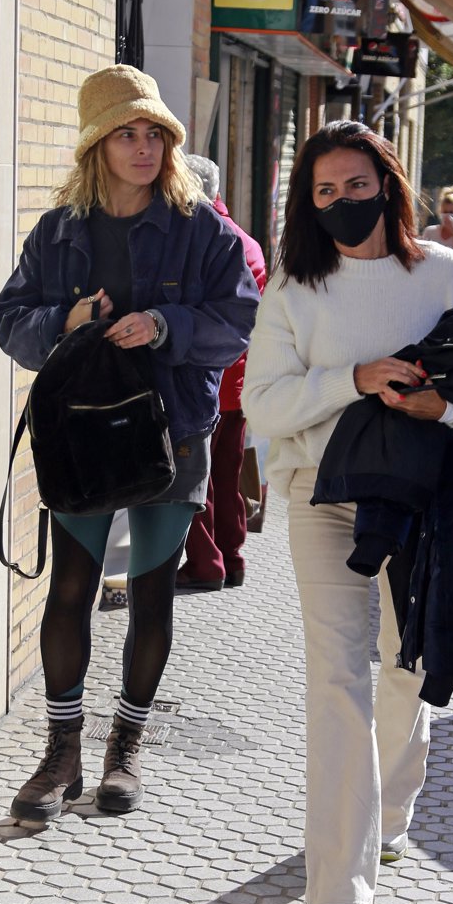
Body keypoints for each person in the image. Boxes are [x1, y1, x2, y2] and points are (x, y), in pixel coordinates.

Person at [242, 120, 453, 904]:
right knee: (337, 679)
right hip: (323, 500)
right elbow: (264, 403)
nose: (340, 201)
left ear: (388, 185)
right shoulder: (294, 283)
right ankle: (337, 886)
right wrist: (351, 380)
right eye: (323, 191)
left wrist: (447, 404)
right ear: (307, 201)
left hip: (425, 503)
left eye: (355, 185)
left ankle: (391, 808)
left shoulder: (445, 275)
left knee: (408, 665)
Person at [0, 64, 259, 826]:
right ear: (97, 146)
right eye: (126, 134)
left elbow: (239, 319)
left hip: (172, 434)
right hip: (80, 437)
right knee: (70, 588)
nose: (143, 148)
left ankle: (125, 751)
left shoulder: (201, 225)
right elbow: (14, 320)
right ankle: (61, 753)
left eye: (154, 135)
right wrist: (66, 322)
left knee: (150, 591)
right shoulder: (60, 230)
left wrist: (166, 326)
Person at [175, 154, 267, 590]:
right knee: (226, 474)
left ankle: (207, 562)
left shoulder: (204, 241)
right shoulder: (247, 240)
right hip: (240, 381)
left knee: (197, 478)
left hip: (207, 379)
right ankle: (232, 557)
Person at [421, 186, 453, 256]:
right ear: (440, 211)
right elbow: (422, 254)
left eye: (452, 212)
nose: (448, 215)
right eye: (445, 212)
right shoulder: (430, 231)